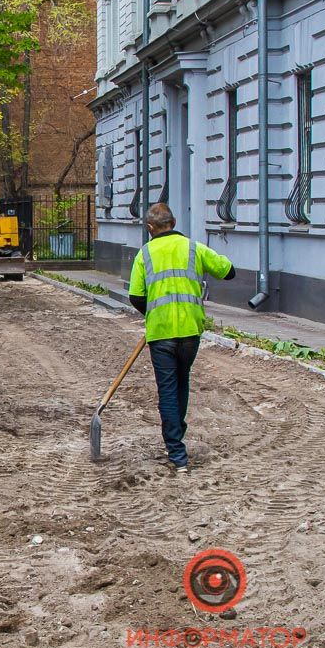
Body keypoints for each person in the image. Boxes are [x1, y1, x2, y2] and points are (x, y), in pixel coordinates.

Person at [128, 203, 235, 475]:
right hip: (189, 331)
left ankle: (176, 451)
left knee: (167, 389)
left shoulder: (145, 254)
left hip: (161, 333)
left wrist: (153, 314)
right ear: (173, 222)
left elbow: (136, 296)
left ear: (150, 228)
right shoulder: (193, 248)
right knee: (181, 381)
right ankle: (177, 435)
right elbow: (228, 270)